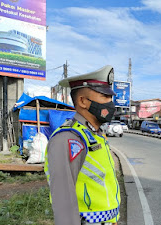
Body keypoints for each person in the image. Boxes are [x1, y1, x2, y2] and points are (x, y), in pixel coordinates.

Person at [44, 65, 120, 225]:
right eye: (105, 97)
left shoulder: (94, 135)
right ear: (83, 101)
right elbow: (64, 204)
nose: (110, 103)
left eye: (110, 97)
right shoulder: (68, 138)